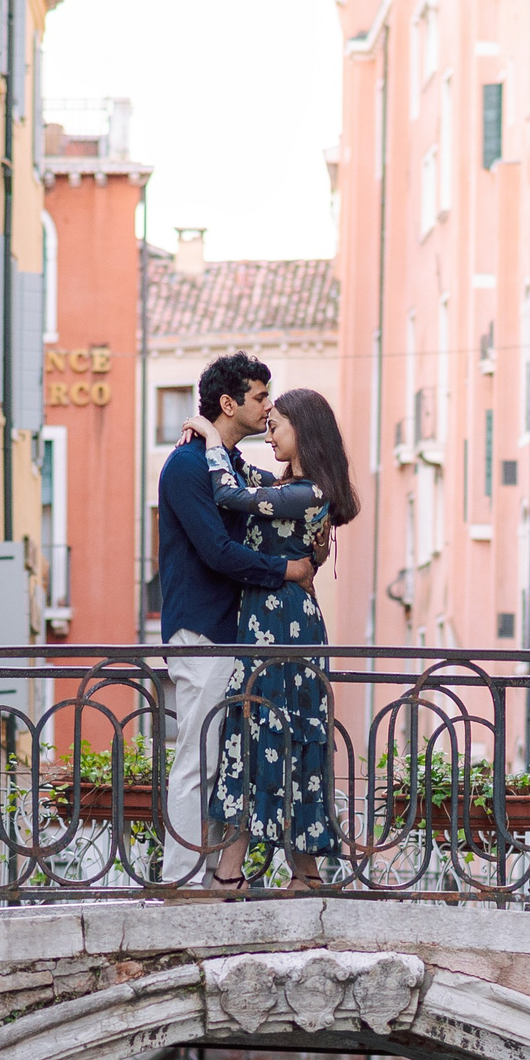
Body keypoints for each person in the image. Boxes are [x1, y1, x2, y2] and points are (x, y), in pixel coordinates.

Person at [155, 353, 323, 883]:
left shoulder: (222, 463)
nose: (268, 407)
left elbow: (259, 498)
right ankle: (182, 880)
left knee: (230, 759)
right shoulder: (187, 466)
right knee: (199, 759)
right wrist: (288, 570)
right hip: (203, 632)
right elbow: (217, 552)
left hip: (235, 637)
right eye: (259, 398)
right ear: (229, 403)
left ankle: (214, 878)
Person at [193, 389, 361, 884]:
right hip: (272, 621)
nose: (270, 432)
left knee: (266, 731)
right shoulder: (292, 489)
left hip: (281, 623)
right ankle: (301, 875)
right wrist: (222, 444)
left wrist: (208, 438)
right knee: (271, 732)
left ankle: (234, 874)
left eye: (277, 424)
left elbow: (230, 493)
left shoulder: (306, 494)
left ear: (303, 431)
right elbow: (246, 478)